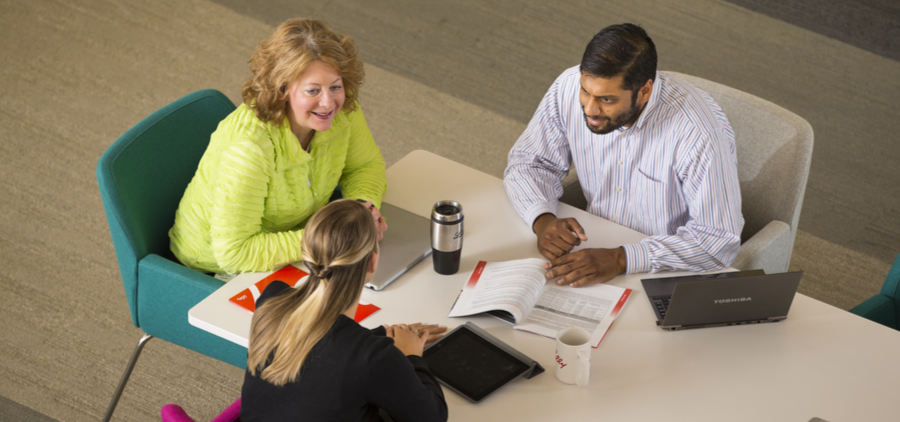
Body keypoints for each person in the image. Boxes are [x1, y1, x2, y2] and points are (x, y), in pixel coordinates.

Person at [504, 23, 743, 288]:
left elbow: (718, 240)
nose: (590, 109)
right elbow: (529, 162)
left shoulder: (698, 133)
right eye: (586, 91)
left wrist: (621, 259)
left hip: (667, 269)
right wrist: (542, 218)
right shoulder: (568, 87)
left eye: (607, 100)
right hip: (592, 249)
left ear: (644, 92)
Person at [169, 18, 388, 276]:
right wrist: (328, 238)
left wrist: (360, 211)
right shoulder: (250, 148)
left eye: (335, 86)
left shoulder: (343, 111)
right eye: (313, 90)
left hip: (297, 240)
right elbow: (234, 253)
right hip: (220, 264)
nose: (329, 103)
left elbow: (365, 165)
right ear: (283, 89)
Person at [241, 199, 449, 422]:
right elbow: (432, 417)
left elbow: (325, 351)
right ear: (372, 262)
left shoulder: (271, 299)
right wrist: (411, 355)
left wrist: (381, 335)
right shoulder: (373, 359)